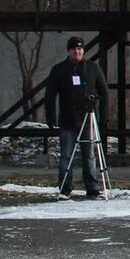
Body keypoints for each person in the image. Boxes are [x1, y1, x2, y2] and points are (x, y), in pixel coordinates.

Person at [44, 36, 108, 199]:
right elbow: (50, 94)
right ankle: (65, 187)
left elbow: (104, 92)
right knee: (66, 155)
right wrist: (50, 115)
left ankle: (92, 186)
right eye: (74, 49)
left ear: (83, 50)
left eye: (79, 49)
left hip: (87, 119)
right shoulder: (58, 70)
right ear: (69, 51)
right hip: (67, 119)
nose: (77, 52)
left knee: (90, 154)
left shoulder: (93, 68)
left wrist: (103, 115)